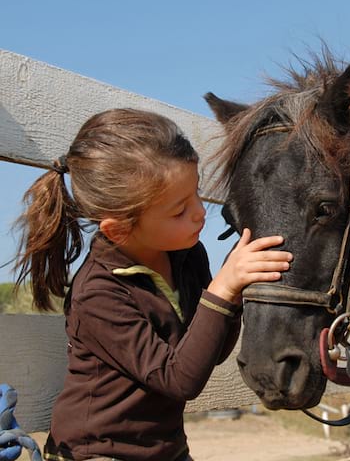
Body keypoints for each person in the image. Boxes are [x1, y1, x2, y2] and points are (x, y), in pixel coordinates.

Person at [12, 108, 292, 461]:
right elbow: (179, 380)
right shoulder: (98, 293)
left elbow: (209, 352)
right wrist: (222, 290)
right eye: (178, 210)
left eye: (197, 193)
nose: (199, 212)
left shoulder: (188, 254)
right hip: (97, 453)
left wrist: (232, 293)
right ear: (118, 229)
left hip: (167, 449)